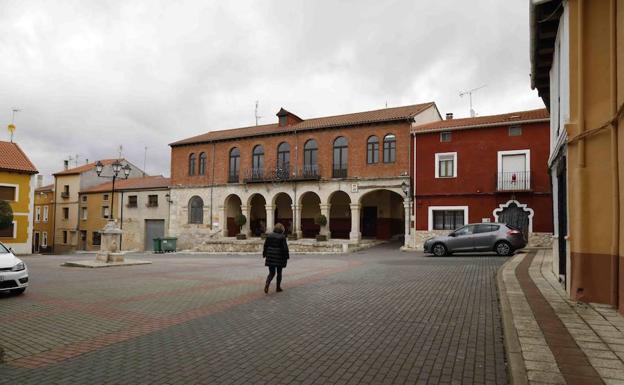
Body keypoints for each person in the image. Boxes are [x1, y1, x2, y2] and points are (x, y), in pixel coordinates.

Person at [263, 223, 289, 293]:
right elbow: (285, 248)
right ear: (281, 229)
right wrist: (287, 256)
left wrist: (264, 254)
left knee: (271, 273)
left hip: (270, 256)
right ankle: (278, 287)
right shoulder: (282, 237)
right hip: (279, 257)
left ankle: (267, 283)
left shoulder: (269, 235)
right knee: (279, 273)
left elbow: (265, 245)